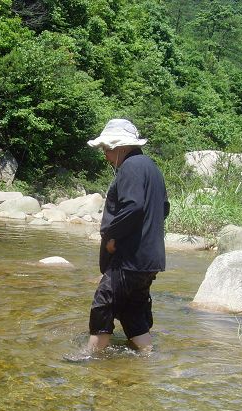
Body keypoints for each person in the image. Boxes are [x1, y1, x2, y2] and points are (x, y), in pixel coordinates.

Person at [65, 119, 169, 361]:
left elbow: (133, 207)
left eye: (107, 149)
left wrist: (113, 236)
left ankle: (90, 355)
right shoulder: (151, 167)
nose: (106, 156)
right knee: (132, 308)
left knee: (104, 302)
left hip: (129, 256)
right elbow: (164, 208)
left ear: (120, 146)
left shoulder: (131, 167)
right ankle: (149, 356)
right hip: (149, 257)